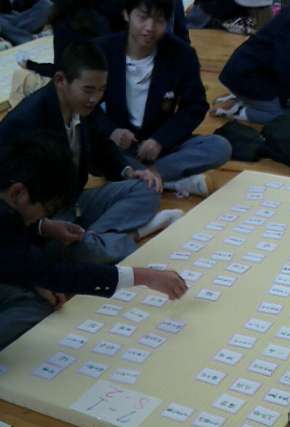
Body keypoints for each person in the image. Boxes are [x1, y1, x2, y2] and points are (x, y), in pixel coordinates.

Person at [0, 41, 183, 265]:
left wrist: (128, 171)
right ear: (60, 80)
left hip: (76, 200)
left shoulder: (81, 107)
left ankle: (95, 240)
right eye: (88, 90)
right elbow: (8, 205)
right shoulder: (25, 121)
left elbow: (101, 148)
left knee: (147, 186)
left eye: (101, 90)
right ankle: (128, 235)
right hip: (42, 214)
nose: (95, 98)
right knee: (71, 254)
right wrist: (41, 226)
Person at [0, 132, 188, 350]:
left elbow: (22, 260)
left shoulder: (8, 207)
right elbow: (53, 273)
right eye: (46, 209)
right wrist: (144, 276)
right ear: (17, 192)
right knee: (35, 305)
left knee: (39, 293)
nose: (42, 217)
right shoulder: (6, 221)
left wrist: (35, 273)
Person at [94, 0, 232, 198]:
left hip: (161, 146)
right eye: (142, 18)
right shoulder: (102, 51)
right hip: (118, 145)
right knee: (95, 151)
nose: (149, 27)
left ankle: (149, 177)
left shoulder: (181, 54)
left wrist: (160, 140)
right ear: (126, 14)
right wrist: (112, 131)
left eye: (159, 20)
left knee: (219, 146)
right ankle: (167, 180)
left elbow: (195, 106)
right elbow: (85, 106)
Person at [18, 0, 111, 76]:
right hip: (105, 77)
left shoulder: (64, 24)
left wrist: (32, 66)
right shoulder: (102, 17)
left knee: (20, 76)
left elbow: (60, 70)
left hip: (82, 81)